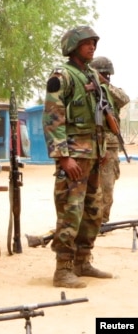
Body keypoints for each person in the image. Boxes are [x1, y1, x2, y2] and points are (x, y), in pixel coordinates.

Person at [43, 25, 113, 288]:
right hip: (73, 155)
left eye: (94, 42)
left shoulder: (93, 75)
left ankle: (83, 260)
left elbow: (101, 116)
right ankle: (63, 269)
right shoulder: (62, 76)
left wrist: (102, 149)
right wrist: (62, 157)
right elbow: (52, 117)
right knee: (70, 212)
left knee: (93, 211)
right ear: (73, 46)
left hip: (94, 155)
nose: (92, 46)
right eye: (86, 43)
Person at [89, 56, 130, 224]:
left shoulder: (111, 90)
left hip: (110, 145)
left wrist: (104, 84)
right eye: (103, 74)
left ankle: (103, 220)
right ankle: (91, 220)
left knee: (107, 186)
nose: (106, 76)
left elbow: (124, 99)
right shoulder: (87, 89)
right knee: (90, 186)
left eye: (107, 74)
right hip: (90, 143)